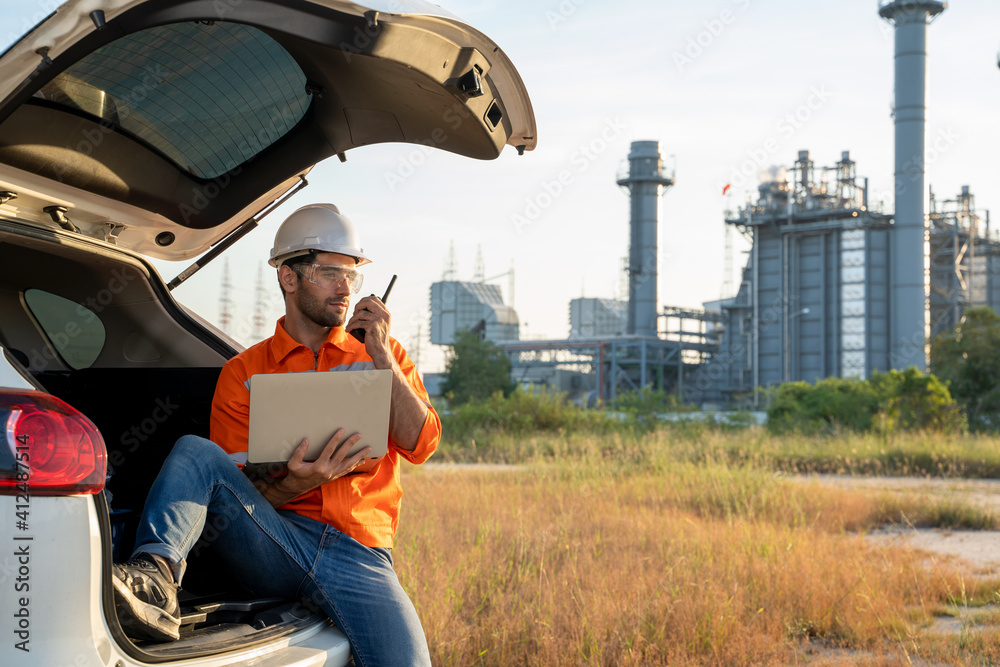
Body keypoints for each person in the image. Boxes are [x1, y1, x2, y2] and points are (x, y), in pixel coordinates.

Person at [110, 204, 439, 666]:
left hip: (360, 555)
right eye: (330, 273)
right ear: (289, 277)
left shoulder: (383, 356)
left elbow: (422, 444)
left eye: (353, 276)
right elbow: (230, 494)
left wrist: (382, 353)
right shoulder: (243, 373)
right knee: (196, 453)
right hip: (273, 543)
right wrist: (296, 484)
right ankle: (154, 581)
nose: (346, 288)